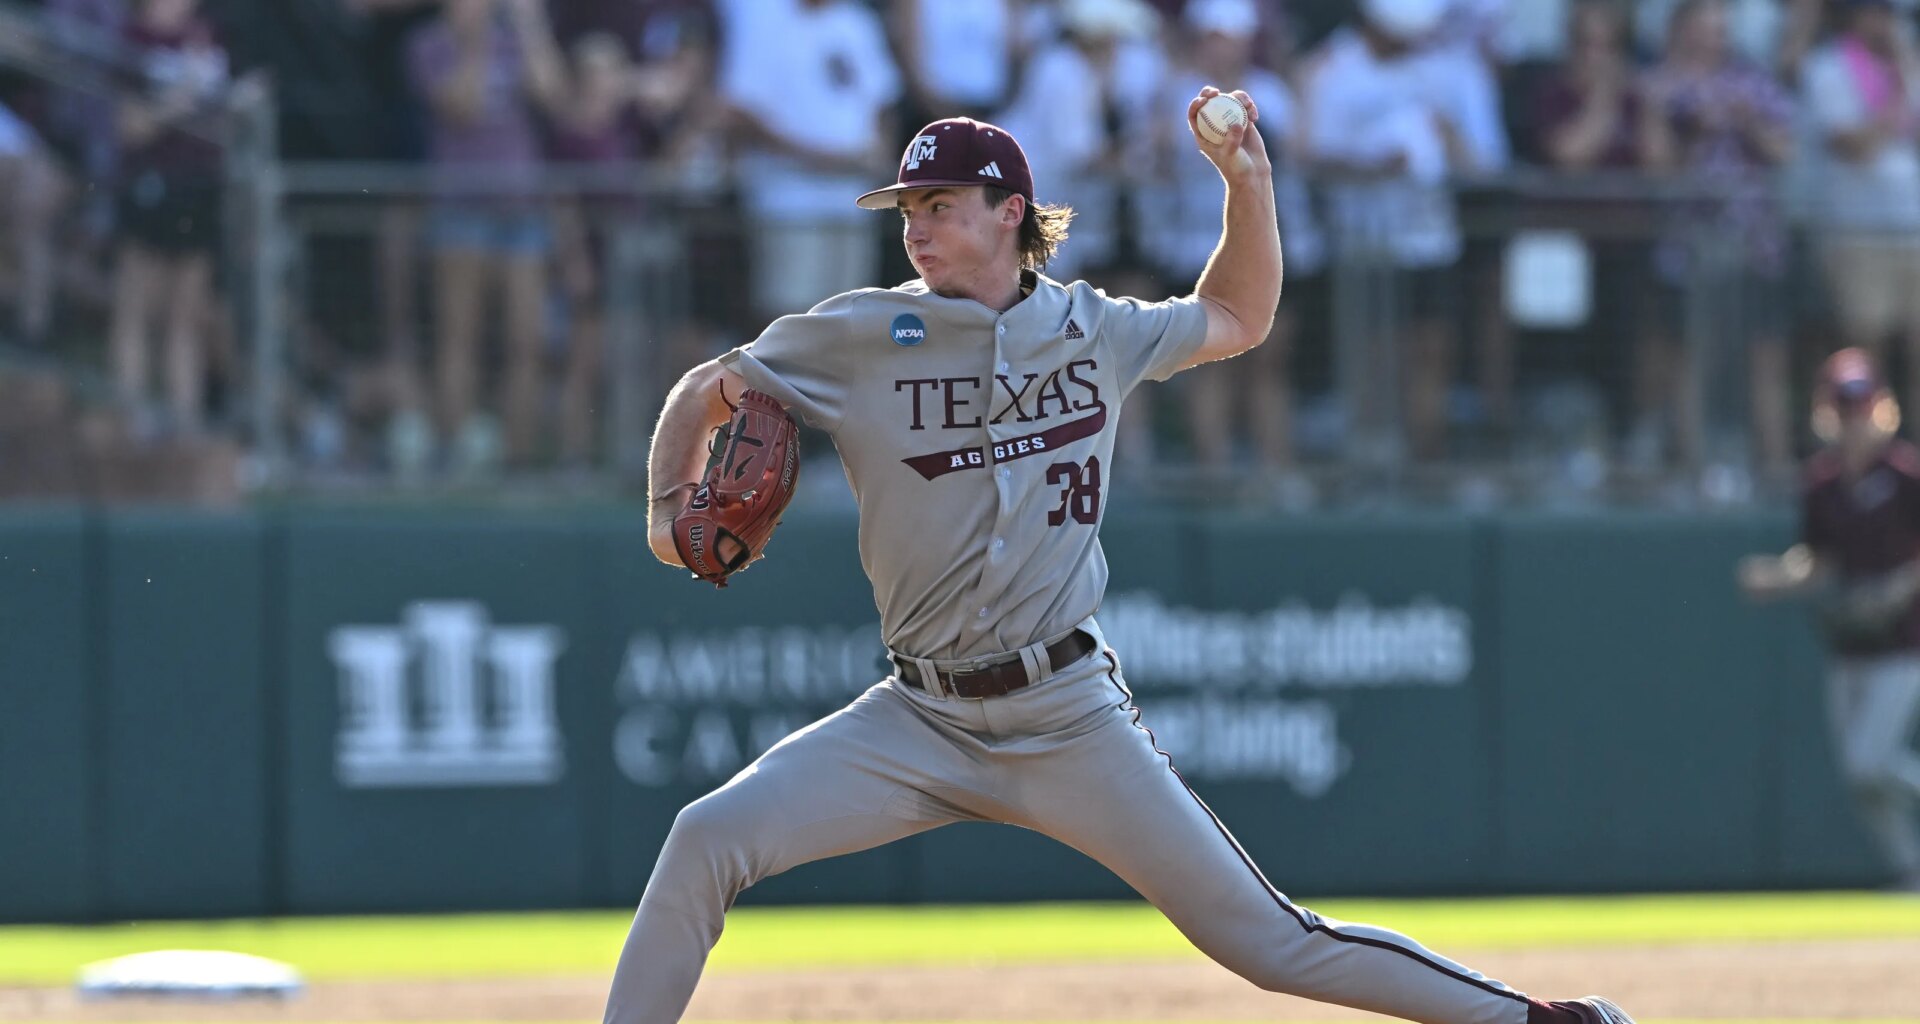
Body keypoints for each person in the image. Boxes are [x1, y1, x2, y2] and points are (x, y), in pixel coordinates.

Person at [607, 91, 1635, 1024]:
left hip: (1066, 714)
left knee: (1273, 943)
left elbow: (1238, 315)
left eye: (940, 205)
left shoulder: (1093, 328)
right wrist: (666, 506)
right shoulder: (861, 334)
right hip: (917, 717)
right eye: (907, 211)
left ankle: (1546, 1023)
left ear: (1012, 211)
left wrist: (1249, 181)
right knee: (707, 837)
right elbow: (711, 385)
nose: (916, 227)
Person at [1738, 348, 1920, 893]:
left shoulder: (1905, 474)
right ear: (1827, 410)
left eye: (1861, 404)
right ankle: (1910, 870)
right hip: (1849, 645)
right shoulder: (1821, 482)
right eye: (1843, 405)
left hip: (1904, 642)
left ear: (1880, 406)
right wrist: (1777, 578)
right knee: (1859, 778)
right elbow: (1819, 561)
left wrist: (1899, 587)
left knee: (1870, 764)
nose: (1853, 417)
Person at [1300, 0, 1506, 462]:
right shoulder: (1333, 70)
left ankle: (1424, 457)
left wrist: (1451, 141)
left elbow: (1482, 161)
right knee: (1374, 352)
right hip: (1366, 244)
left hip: (1430, 240)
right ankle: (1372, 453)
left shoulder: (1442, 71)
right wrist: (1373, 168)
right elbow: (1312, 156)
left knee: (1431, 349)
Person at [407, 0, 567, 475]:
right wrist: (475, 44)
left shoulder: (516, 38)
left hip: (523, 210)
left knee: (527, 339)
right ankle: (457, 454)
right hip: (460, 211)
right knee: (461, 337)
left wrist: (531, 25)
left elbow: (554, 97)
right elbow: (463, 104)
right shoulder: (427, 45)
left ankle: (517, 460)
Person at [1638, 0, 1796, 478]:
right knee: (1689, 358)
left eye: (1720, 28)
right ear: (1681, 29)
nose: (1713, 37)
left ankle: (1774, 467)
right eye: (1704, 27)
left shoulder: (1751, 80)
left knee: (1764, 357)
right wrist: (1688, 130)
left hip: (1755, 244)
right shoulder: (1658, 86)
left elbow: (1786, 151)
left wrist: (1747, 121)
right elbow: (1654, 168)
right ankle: (1695, 467)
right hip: (1686, 247)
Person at [108, 0, 229, 438]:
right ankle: (132, 420)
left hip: (199, 186)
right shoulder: (132, 38)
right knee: (137, 307)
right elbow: (130, 126)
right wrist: (181, 97)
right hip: (151, 182)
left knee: (186, 314)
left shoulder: (208, 33)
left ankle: (185, 424)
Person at [1801, 0, 1920, 423]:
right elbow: (1854, 146)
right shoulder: (1828, 68)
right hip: (1856, 234)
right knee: (1867, 353)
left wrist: (1906, 72)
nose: (1888, 23)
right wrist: (1897, 100)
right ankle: (1866, 455)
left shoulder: (1909, 64)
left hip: (1912, 231)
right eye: (1879, 11)